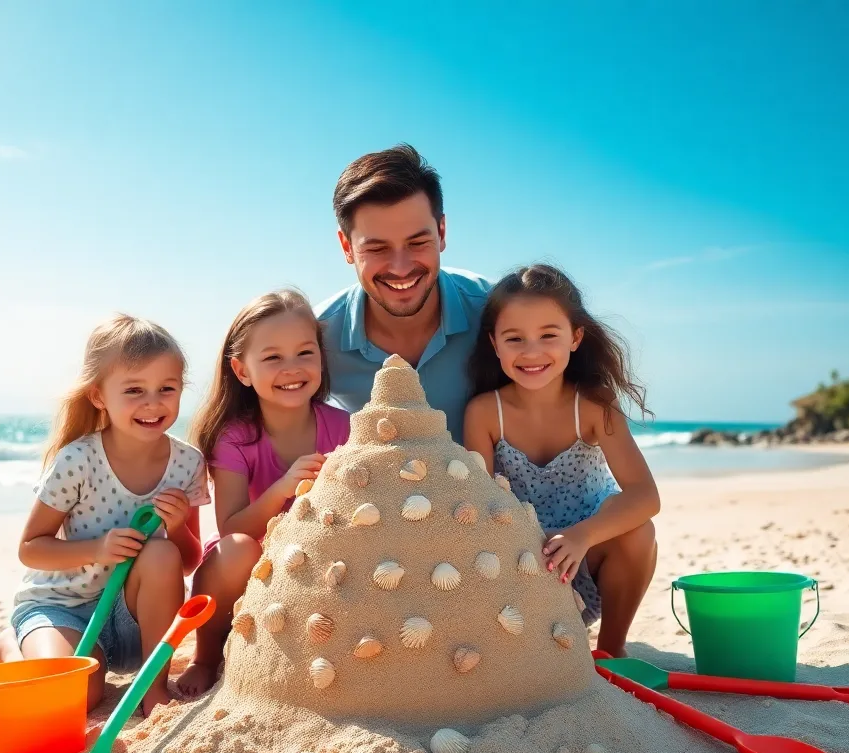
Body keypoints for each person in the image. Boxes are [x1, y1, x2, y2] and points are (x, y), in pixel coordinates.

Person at [0, 314, 209, 717]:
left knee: (161, 555)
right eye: (134, 390)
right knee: (76, 698)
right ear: (99, 395)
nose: (153, 403)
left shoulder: (187, 463)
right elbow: (31, 549)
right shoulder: (78, 460)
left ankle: (152, 688)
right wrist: (97, 549)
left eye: (167, 388)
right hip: (61, 607)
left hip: (132, 620)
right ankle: (11, 645)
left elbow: (188, 561)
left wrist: (176, 528)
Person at [463, 265, 660, 658]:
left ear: (575, 338)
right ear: (495, 344)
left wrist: (583, 535)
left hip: (587, 551)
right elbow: (480, 508)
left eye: (548, 336)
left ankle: (611, 652)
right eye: (514, 338)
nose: (532, 351)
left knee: (641, 531)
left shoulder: (592, 405)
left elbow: (645, 495)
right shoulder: (485, 412)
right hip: (521, 562)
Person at [174, 289, 350, 698]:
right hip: (251, 568)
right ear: (242, 370)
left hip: (318, 562)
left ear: (321, 359)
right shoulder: (234, 437)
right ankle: (206, 656)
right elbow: (231, 526)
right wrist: (284, 487)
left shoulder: (345, 427)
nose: (292, 368)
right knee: (235, 548)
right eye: (272, 357)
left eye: (305, 353)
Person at [316, 144, 491, 439]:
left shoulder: (497, 313)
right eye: (377, 248)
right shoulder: (314, 339)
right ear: (347, 247)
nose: (400, 268)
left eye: (417, 243)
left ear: (442, 233)